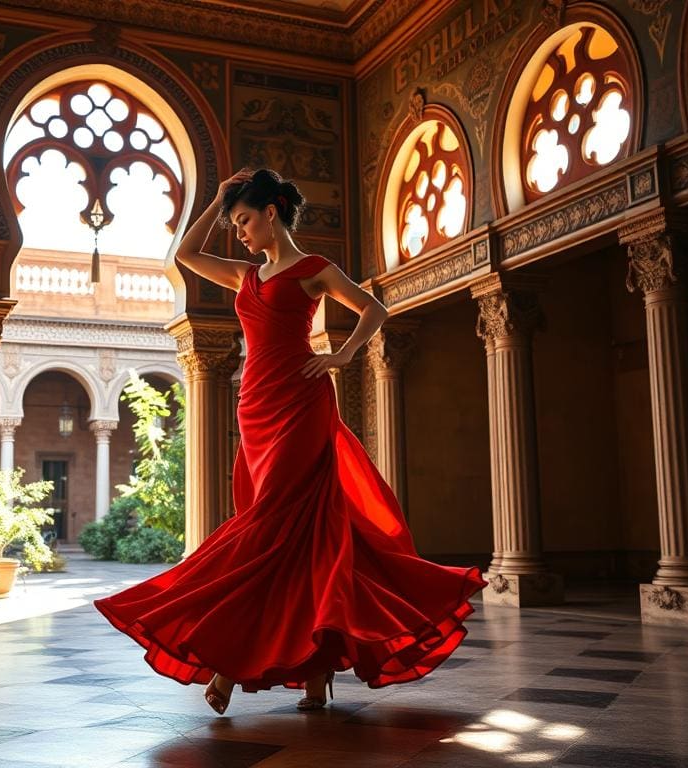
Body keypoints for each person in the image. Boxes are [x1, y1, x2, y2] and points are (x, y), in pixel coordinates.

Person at [94, 168, 486, 715]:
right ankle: (316, 672)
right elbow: (185, 254)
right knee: (302, 541)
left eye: (245, 220)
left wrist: (343, 354)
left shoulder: (314, 270)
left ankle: (228, 668)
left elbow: (375, 309)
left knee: (272, 531)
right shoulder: (245, 276)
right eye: (235, 224)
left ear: (271, 213)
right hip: (256, 409)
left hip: (301, 406)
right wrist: (218, 200)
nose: (240, 232)